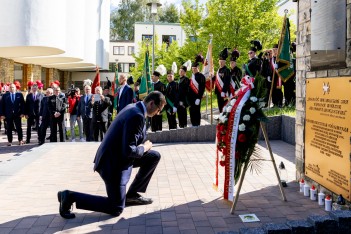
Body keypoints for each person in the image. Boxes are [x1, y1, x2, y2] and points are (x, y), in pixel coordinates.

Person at [57, 91, 166, 219]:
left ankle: (131, 196)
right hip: (112, 165)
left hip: (118, 157)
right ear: (152, 103)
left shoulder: (134, 107)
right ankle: (70, 196)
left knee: (154, 156)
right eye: (159, 110)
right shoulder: (137, 115)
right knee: (116, 207)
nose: (158, 113)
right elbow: (129, 150)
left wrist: (143, 149)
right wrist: (144, 147)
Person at [188, 54, 206, 127]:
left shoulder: (201, 76)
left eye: (195, 68)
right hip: (191, 98)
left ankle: (197, 125)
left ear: (198, 68)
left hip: (197, 97)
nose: (194, 69)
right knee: (191, 111)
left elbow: (202, 88)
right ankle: (193, 125)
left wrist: (199, 98)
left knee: (197, 111)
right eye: (193, 68)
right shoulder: (192, 76)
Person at [214, 48, 231, 113]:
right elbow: (216, 79)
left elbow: (227, 81)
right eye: (220, 61)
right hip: (218, 91)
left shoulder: (226, 70)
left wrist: (224, 91)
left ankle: (224, 121)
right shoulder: (218, 70)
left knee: (224, 107)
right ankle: (221, 120)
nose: (220, 63)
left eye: (222, 62)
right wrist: (212, 76)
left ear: (225, 62)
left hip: (224, 92)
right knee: (220, 106)